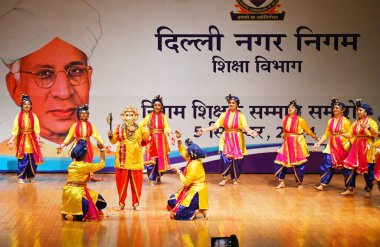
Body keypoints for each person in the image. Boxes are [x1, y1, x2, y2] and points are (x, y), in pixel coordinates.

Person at [0, 0, 101, 145]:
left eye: (76, 71)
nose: (64, 92)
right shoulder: (5, 157)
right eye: (44, 74)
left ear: (89, 80)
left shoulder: (104, 157)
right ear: (15, 88)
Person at [196, 94, 258, 186]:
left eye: (233, 103)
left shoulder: (241, 115)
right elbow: (216, 125)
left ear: (237, 104)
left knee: (237, 161)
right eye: (229, 103)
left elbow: (245, 126)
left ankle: (235, 178)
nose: (231, 104)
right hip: (226, 138)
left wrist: (250, 132)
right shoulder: (224, 115)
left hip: (237, 139)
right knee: (224, 159)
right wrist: (205, 129)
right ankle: (224, 178)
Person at [108, 106, 150, 211]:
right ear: (123, 117)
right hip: (123, 158)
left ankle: (136, 203)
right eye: (127, 115)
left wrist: (150, 133)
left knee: (137, 182)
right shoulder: (119, 128)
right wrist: (110, 136)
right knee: (121, 182)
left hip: (136, 157)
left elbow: (145, 141)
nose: (129, 117)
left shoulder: (140, 127)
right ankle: (121, 203)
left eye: (131, 115)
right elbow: (113, 141)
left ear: (135, 117)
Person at [274, 99, 319, 190]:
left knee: (299, 164)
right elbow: (284, 131)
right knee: (281, 162)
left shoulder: (301, 120)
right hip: (287, 142)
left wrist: (316, 138)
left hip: (297, 142)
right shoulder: (285, 119)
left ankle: (299, 183)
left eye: (292, 107)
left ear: (296, 110)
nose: (290, 109)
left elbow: (308, 131)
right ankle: (281, 181)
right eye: (289, 107)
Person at [61, 139, 107, 221]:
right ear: (84, 155)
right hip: (78, 193)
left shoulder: (71, 164)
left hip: (67, 192)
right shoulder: (85, 166)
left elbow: (76, 177)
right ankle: (78, 213)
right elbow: (102, 164)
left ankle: (67, 211)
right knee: (101, 202)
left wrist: (90, 178)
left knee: (90, 197)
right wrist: (102, 150)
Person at [57, 104, 105, 181]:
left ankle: (90, 176)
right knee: (77, 159)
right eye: (82, 113)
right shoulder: (75, 125)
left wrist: (103, 144)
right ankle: (77, 175)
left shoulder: (91, 125)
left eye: (86, 113)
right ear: (79, 115)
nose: (84, 115)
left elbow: (97, 135)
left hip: (87, 144)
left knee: (89, 159)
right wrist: (62, 145)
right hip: (78, 144)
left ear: (88, 115)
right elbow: (69, 136)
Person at [167, 132, 208, 220]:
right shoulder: (194, 159)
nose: (186, 152)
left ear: (190, 154)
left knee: (178, 215)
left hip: (196, 192)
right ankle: (196, 208)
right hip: (191, 188)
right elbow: (182, 151)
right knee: (172, 200)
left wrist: (178, 171)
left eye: (187, 151)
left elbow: (186, 182)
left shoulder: (193, 166)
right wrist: (179, 139)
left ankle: (199, 210)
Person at [313, 98, 351, 191]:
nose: (334, 109)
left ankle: (350, 187)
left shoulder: (346, 121)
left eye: (337, 108)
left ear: (342, 110)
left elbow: (351, 134)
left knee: (345, 167)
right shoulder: (330, 121)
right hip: (331, 145)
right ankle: (323, 184)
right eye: (334, 108)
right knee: (327, 163)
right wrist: (318, 143)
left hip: (342, 146)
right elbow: (326, 134)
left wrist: (346, 135)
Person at [342, 100, 378, 197]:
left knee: (368, 170)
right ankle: (350, 188)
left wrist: (368, 128)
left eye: (360, 110)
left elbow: (376, 134)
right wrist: (344, 134)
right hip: (356, 148)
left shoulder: (372, 122)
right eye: (357, 110)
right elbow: (351, 133)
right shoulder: (355, 123)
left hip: (367, 147)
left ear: (365, 112)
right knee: (350, 168)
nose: (358, 112)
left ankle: (368, 190)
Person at [7, 94, 44, 183]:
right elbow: (15, 129)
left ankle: (31, 176)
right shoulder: (18, 116)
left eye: (28, 104)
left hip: (32, 140)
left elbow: (36, 128)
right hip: (22, 140)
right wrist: (12, 139)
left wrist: (38, 138)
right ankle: (21, 177)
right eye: (25, 104)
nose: (27, 106)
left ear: (31, 106)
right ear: (22, 106)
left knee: (32, 159)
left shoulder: (34, 116)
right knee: (23, 159)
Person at [139, 95, 174, 185]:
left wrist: (170, 134)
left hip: (162, 140)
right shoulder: (149, 116)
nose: (157, 107)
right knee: (152, 159)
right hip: (152, 140)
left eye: (159, 105)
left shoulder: (163, 116)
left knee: (161, 159)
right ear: (153, 106)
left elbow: (167, 126)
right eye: (155, 105)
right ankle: (151, 180)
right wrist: (145, 133)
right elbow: (141, 124)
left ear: (161, 107)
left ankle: (158, 176)